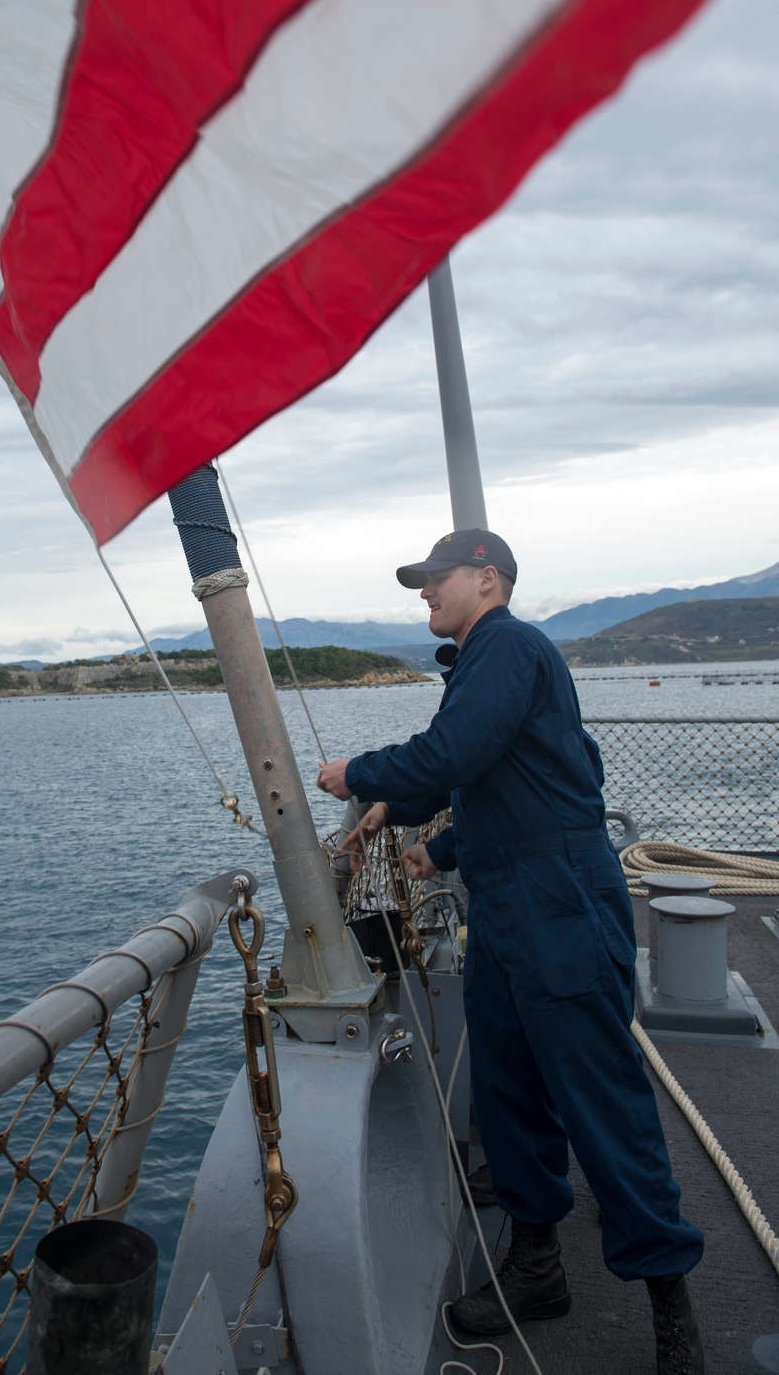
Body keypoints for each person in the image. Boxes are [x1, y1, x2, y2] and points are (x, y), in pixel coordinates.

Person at [316, 528, 705, 1375]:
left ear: (486, 580)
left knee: (600, 1100)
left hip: (559, 905)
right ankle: (537, 1269)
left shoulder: (509, 645)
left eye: (434, 580)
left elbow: (459, 755)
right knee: (509, 1093)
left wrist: (364, 776)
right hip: (506, 906)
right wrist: (422, 827)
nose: (424, 593)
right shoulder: (486, 663)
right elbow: (497, 776)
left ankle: (671, 1304)